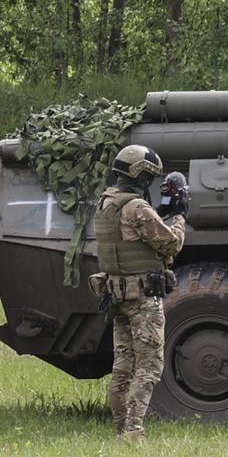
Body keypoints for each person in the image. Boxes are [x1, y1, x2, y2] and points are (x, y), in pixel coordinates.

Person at [90, 145, 188, 440]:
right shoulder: (137, 208)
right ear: (141, 175)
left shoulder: (106, 203)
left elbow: (132, 236)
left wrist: (159, 214)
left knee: (122, 367)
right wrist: (180, 216)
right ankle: (133, 431)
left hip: (118, 298)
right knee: (148, 366)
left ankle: (121, 428)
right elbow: (170, 244)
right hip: (143, 299)